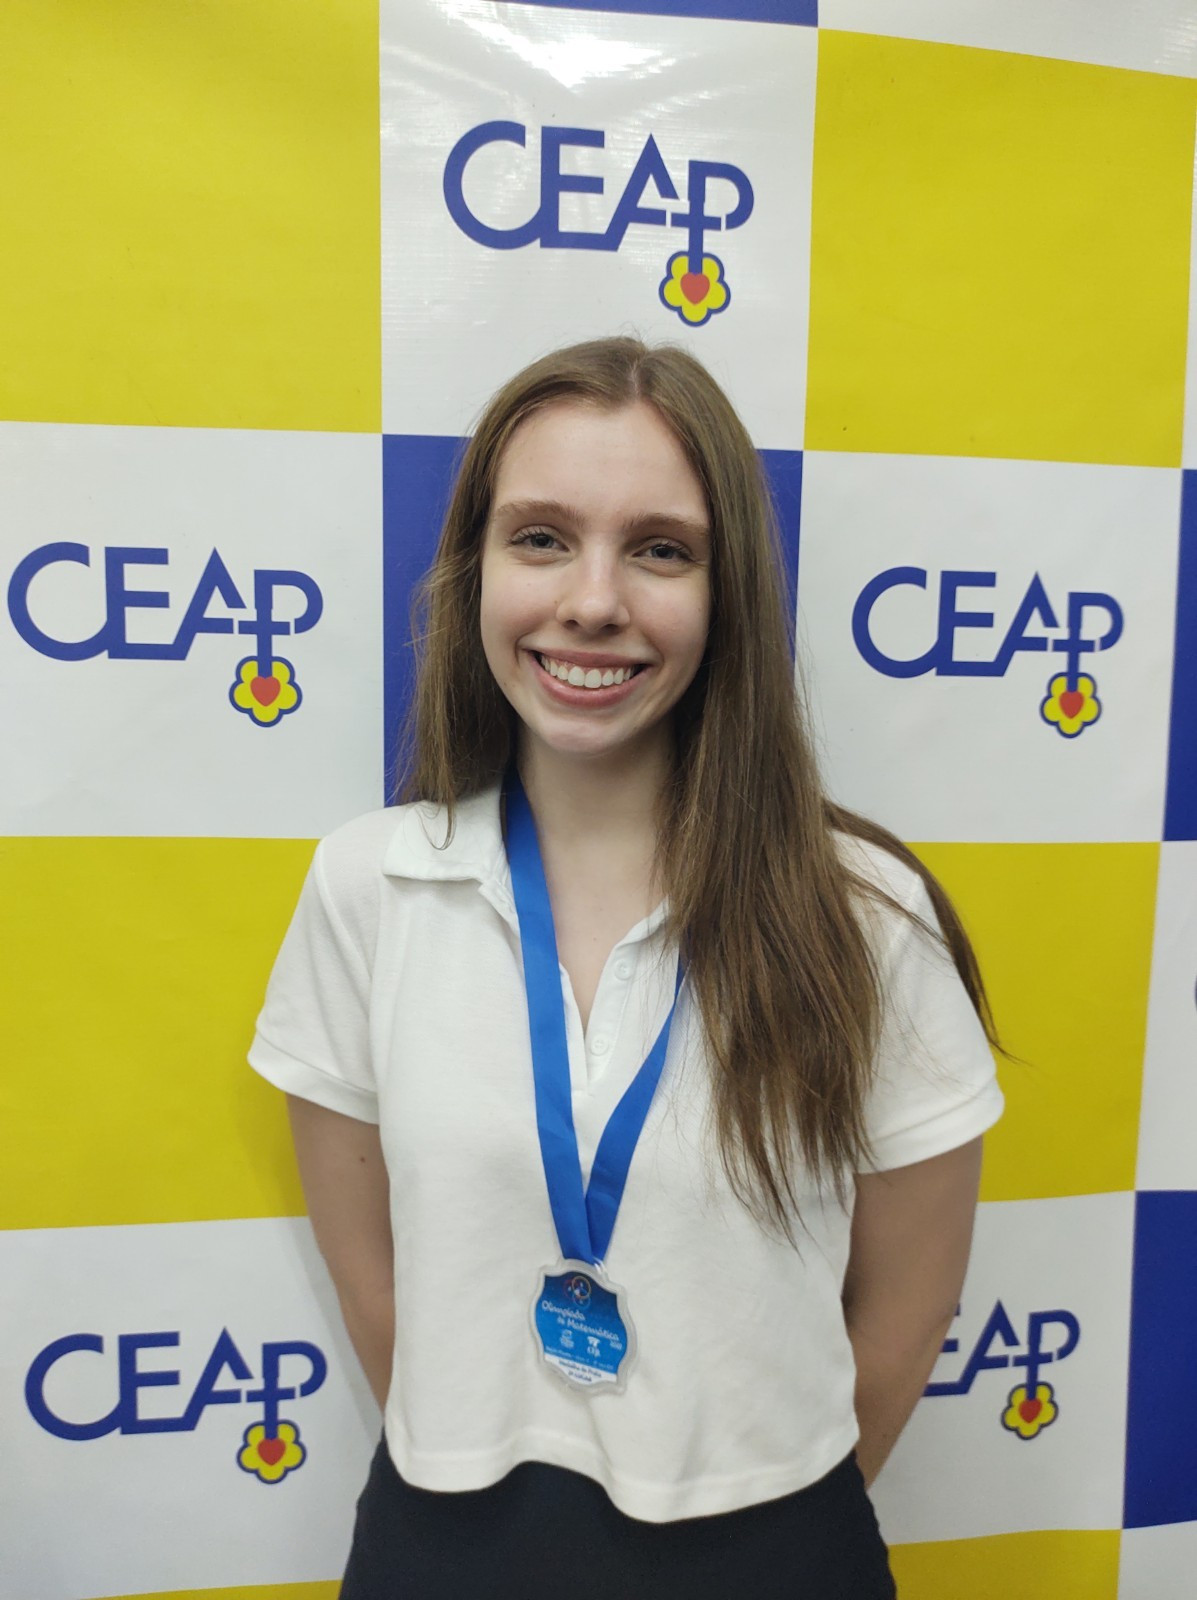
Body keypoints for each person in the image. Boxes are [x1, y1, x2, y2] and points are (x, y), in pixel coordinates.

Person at [248, 336, 1004, 1598]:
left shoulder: (866, 915)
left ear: (727, 592)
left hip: (770, 1549)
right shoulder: (366, 887)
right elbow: (374, 1281)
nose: (593, 600)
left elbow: (905, 1312)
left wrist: (744, 1515)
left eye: (659, 549)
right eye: (541, 538)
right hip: (446, 1542)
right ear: (477, 569)